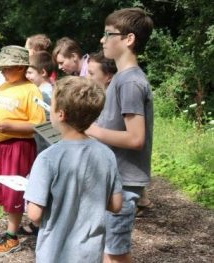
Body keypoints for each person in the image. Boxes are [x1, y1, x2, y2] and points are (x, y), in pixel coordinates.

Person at [25, 76, 123, 263]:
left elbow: (34, 214)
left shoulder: (47, 158)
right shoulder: (106, 154)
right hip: (90, 254)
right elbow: (116, 205)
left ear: (60, 114)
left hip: (53, 254)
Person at [85, 7, 154, 263]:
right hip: (115, 179)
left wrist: (90, 130)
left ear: (128, 39)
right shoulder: (122, 79)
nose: (102, 40)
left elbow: (136, 139)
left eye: (108, 34)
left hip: (123, 183)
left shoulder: (129, 82)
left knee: (116, 255)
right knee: (110, 252)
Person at [0, 45, 46, 255]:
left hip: (19, 146)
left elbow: (38, 125)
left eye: (7, 67)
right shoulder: (3, 86)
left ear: (22, 67)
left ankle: (12, 237)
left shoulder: (31, 90)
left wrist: (10, 127)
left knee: (13, 190)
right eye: (1, 67)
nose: (3, 71)